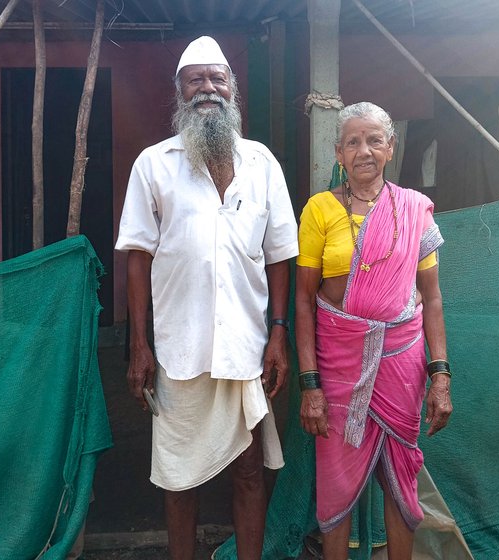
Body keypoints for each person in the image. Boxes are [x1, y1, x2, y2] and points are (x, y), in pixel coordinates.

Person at [115, 36, 299, 560]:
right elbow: (137, 256)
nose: (207, 90)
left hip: (246, 347)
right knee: (179, 479)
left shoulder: (262, 163)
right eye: (195, 80)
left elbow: (280, 254)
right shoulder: (154, 164)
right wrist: (139, 345)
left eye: (217, 79)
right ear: (179, 90)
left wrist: (279, 335)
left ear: (232, 90)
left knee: (248, 472)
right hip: (179, 349)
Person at [295, 101, 453, 560]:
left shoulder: (413, 210)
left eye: (374, 140)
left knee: (399, 474)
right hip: (337, 362)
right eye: (353, 142)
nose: (364, 150)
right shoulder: (319, 209)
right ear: (338, 152)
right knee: (336, 476)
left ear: (390, 147)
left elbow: (433, 297)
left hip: (402, 362)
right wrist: (310, 385)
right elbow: (304, 300)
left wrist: (440, 375)